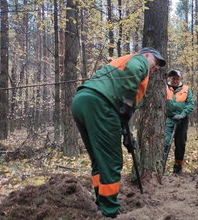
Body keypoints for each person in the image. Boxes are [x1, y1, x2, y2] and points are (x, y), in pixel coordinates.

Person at [71, 47, 166, 217]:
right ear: (146, 55)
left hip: (81, 102)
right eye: (156, 61)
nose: (156, 66)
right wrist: (128, 104)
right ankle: (110, 210)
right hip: (101, 103)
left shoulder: (119, 72)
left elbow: (121, 113)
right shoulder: (139, 60)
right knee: (111, 160)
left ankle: (101, 202)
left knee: (99, 159)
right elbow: (132, 75)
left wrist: (126, 133)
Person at [164, 69, 194, 174]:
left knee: (180, 144)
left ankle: (178, 168)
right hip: (169, 119)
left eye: (176, 78)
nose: (175, 80)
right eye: (173, 78)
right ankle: (161, 166)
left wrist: (182, 114)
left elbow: (190, 104)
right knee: (165, 142)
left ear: (180, 78)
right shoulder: (165, 88)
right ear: (169, 78)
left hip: (182, 120)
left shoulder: (186, 89)